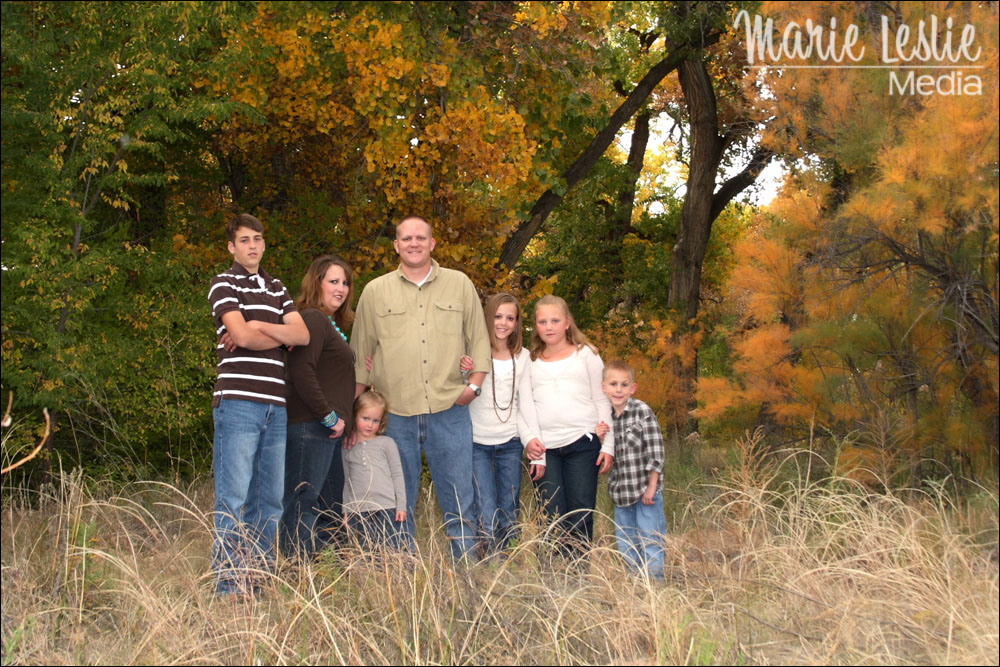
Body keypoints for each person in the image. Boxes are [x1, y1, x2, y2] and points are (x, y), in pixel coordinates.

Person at [350, 215, 491, 559]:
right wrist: (353, 416)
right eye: (406, 238)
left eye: (420, 237)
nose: (414, 243)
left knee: (459, 495)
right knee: (397, 497)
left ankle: (467, 565)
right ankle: (402, 571)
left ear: (432, 243)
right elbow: (359, 354)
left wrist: (472, 388)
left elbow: (479, 339)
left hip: (449, 410)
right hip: (394, 413)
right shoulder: (375, 291)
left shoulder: (459, 284)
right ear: (396, 245)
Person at [209, 213, 309, 595]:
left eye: (258, 239)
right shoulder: (223, 283)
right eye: (245, 240)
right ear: (232, 246)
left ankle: (259, 578)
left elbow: (299, 336)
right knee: (234, 497)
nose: (253, 245)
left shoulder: (277, 286)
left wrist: (260, 328)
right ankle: (229, 585)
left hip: (275, 405)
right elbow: (239, 336)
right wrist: (268, 334)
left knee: (270, 500)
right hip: (238, 403)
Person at [281, 255, 356, 558]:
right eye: (333, 281)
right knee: (302, 501)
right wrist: (328, 417)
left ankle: (328, 574)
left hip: (328, 432)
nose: (341, 289)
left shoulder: (328, 324)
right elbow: (301, 371)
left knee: (329, 507)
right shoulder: (311, 317)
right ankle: (295, 571)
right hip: (310, 427)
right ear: (316, 283)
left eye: (345, 283)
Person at [527, 294, 614, 554]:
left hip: (582, 443)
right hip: (546, 449)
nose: (549, 327)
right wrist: (531, 442)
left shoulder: (586, 354)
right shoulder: (530, 361)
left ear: (567, 323)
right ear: (535, 326)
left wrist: (608, 445)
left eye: (555, 320)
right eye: (543, 322)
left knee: (580, 513)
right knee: (551, 515)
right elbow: (526, 406)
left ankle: (578, 574)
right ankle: (554, 579)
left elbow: (602, 399)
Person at [463, 293, 544, 554]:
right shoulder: (474, 352)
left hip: (510, 441)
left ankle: (510, 556)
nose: (503, 323)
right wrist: (464, 371)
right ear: (488, 317)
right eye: (498, 316)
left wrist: (531, 437)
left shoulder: (523, 358)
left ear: (517, 323)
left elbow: (527, 403)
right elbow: (459, 388)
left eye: (510, 318)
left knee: (509, 504)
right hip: (477, 442)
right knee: (485, 504)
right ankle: (488, 558)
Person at [602, 360, 666, 578]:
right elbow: (603, 456)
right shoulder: (604, 417)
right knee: (626, 540)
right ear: (604, 387)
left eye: (624, 385)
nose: (618, 390)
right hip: (621, 492)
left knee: (650, 537)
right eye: (613, 384)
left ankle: (655, 583)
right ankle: (635, 583)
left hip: (645, 490)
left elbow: (656, 452)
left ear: (633, 388)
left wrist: (652, 486)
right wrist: (599, 435)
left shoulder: (642, 412)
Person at [342, 390, 407, 550]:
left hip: (386, 508)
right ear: (355, 416)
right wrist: (346, 509)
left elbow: (398, 475)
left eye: (375, 420)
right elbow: (347, 479)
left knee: (388, 551)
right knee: (363, 552)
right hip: (359, 510)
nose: (370, 425)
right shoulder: (347, 447)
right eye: (365, 419)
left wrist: (401, 506)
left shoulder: (387, 443)